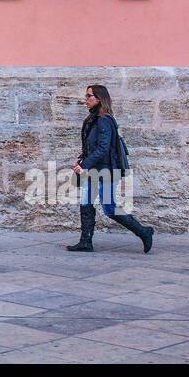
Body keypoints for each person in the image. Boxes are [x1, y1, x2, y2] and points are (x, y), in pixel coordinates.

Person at [67, 84, 155, 253]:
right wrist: (81, 161)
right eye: (86, 96)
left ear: (99, 99)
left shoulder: (104, 121)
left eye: (89, 96)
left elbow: (103, 148)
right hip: (93, 169)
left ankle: (144, 232)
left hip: (106, 171)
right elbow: (91, 147)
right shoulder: (92, 120)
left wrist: (84, 165)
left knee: (109, 207)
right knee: (85, 202)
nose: (86, 100)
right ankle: (86, 242)